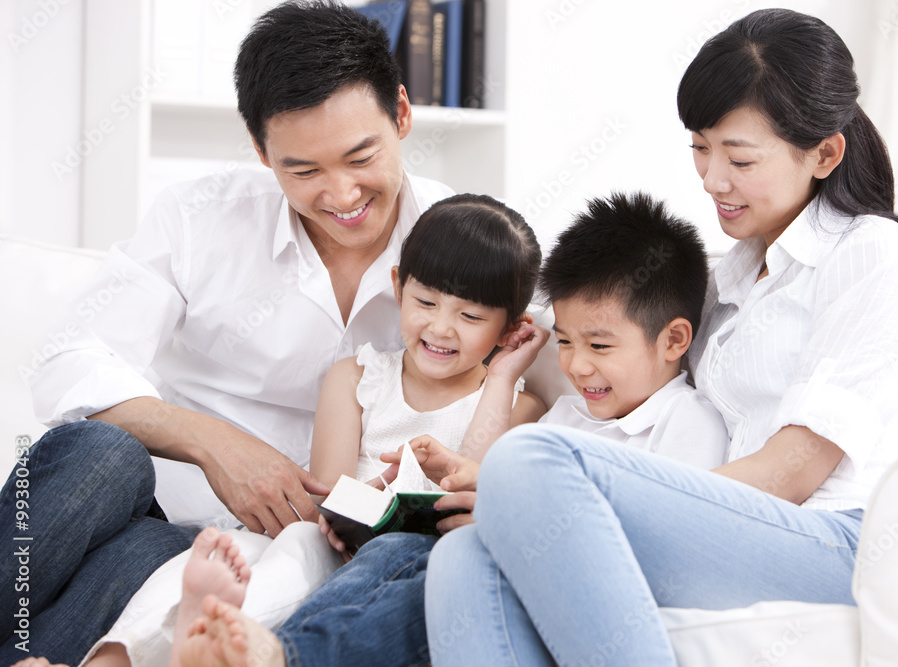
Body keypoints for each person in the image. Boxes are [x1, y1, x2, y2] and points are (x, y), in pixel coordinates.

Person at [423, 8, 898, 665]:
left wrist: (596, 501)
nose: (711, 179)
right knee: (464, 555)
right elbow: (609, 327)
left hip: (841, 541)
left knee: (532, 464)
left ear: (825, 152)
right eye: (700, 147)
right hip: (754, 527)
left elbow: (792, 472)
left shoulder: (867, 253)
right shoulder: (727, 277)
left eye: (739, 157)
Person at [0, 2, 453, 664]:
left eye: (362, 155)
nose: (342, 192)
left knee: (149, 556)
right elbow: (69, 358)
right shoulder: (198, 216)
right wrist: (219, 446)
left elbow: (556, 362)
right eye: (304, 170)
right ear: (260, 150)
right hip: (148, 493)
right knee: (102, 451)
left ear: (403, 115)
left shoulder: (462, 241)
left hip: (218, 553)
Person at [167, 190, 731, 667]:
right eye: (563, 341)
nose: (576, 366)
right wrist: (458, 470)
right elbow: (483, 483)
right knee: (395, 560)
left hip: (532, 574)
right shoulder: (567, 417)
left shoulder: (687, 423)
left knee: (428, 563)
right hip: (465, 552)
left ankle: (281, 654)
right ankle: (249, 644)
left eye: (599, 346)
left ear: (675, 341)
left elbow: (668, 542)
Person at [67, 193, 547, 667]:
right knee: (249, 551)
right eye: (426, 302)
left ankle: (233, 650)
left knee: (366, 564)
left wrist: (501, 378)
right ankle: (115, 658)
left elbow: (471, 483)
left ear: (509, 331)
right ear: (398, 288)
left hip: (411, 560)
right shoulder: (357, 377)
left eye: (470, 316)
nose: (441, 328)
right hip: (332, 539)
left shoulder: (517, 407)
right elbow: (327, 493)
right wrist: (377, 492)